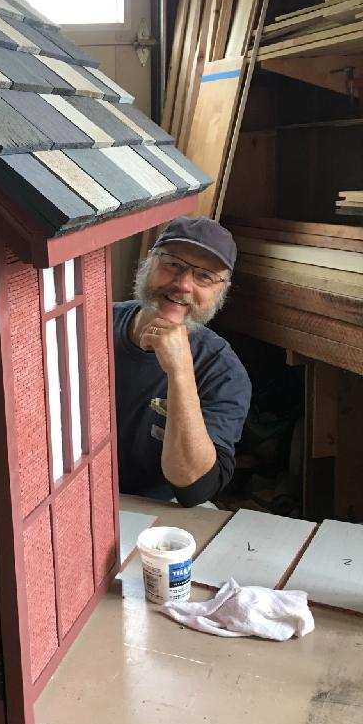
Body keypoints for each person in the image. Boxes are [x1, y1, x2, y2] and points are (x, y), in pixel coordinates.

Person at [113, 216, 251, 507]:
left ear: (221, 291)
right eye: (173, 265)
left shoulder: (224, 372)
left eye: (204, 277)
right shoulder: (91, 324)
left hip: (163, 507)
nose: (184, 284)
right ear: (148, 264)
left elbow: (194, 488)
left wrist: (180, 372)